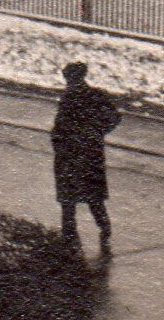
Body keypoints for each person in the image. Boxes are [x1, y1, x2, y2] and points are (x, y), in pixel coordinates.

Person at [50, 61, 118, 246]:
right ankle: (104, 229)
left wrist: (59, 142)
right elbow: (114, 117)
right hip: (88, 153)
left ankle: (70, 238)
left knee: (69, 200)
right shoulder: (95, 95)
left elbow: (60, 126)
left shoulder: (69, 97)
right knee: (93, 197)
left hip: (70, 154)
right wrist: (98, 132)